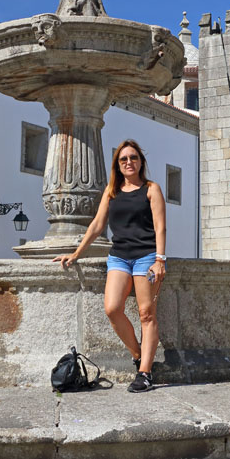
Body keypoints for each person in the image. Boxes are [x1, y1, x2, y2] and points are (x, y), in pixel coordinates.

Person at [54, 139, 167, 393]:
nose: (129, 162)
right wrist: (76, 254)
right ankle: (139, 356)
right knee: (112, 308)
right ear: (117, 164)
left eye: (133, 158)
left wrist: (160, 260)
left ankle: (145, 374)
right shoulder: (111, 191)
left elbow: (160, 226)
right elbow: (96, 225)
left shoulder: (151, 189)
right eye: (124, 159)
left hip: (146, 257)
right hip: (119, 256)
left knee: (147, 313)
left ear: (141, 162)